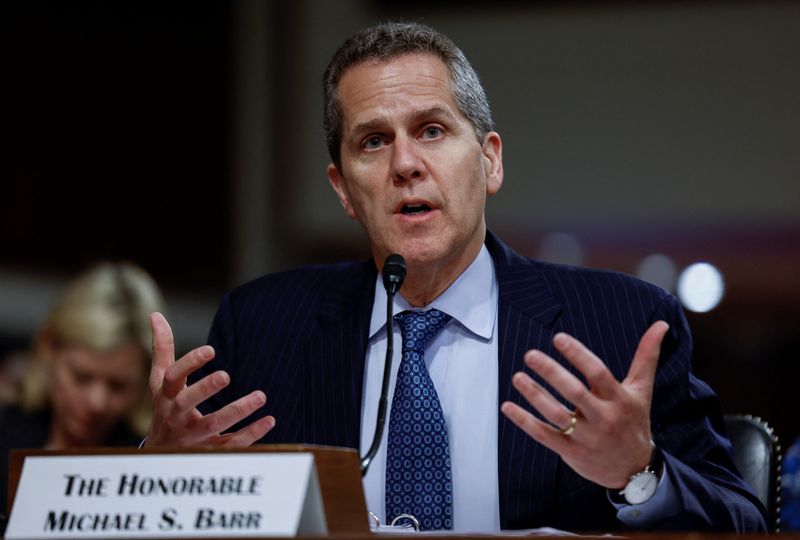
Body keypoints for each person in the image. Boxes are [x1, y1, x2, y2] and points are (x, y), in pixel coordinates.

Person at [144, 22, 767, 532]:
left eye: (432, 131)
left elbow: (743, 523)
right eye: (372, 142)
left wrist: (637, 472)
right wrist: (159, 472)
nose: (406, 164)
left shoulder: (621, 324)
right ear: (342, 190)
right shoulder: (261, 326)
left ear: (489, 160)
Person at [0, 261, 166, 514]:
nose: (96, 402)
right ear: (48, 348)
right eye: (81, 377)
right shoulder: (6, 432)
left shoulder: (146, 461)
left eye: (118, 385)